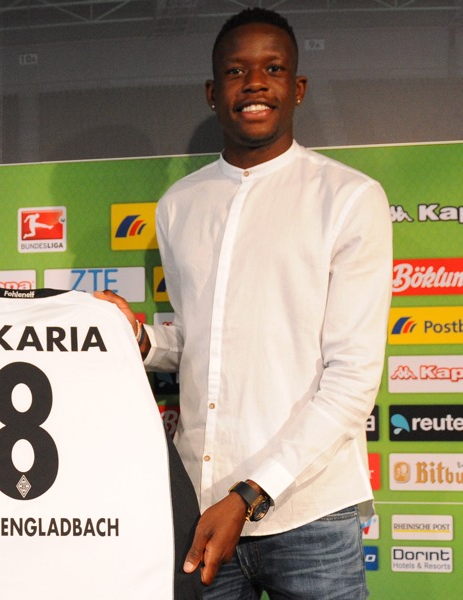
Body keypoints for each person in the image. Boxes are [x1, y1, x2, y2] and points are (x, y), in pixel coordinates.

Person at [96, 8, 392, 599]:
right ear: (213, 93)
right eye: (236, 71)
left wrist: (250, 494)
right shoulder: (179, 205)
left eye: (273, 68)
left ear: (297, 88)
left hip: (310, 516)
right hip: (201, 510)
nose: (254, 82)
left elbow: (353, 379)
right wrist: (141, 340)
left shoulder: (350, 198)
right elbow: (203, 339)